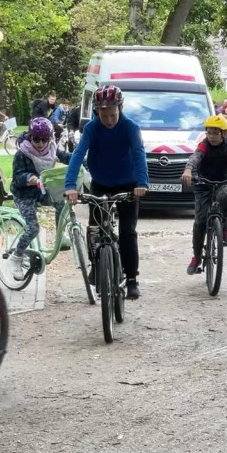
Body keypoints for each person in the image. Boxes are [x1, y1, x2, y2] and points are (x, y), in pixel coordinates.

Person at [63, 85, 148, 299]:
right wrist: (70, 186)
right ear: (96, 112)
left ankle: (131, 279)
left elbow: (139, 155)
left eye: (112, 114)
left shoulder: (130, 127)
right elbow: (78, 153)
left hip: (128, 184)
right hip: (101, 183)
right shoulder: (92, 128)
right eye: (104, 115)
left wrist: (142, 183)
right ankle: (96, 263)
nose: (109, 120)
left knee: (128, 232)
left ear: (120, 108)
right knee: (94, 229)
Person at [7, 118, 72, 280]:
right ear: (30, 137)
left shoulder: (52, 149)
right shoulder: (22, 153)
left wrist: (83, 161)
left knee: (60, 203)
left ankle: (60, 235)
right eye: (36, 139)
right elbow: (16, 178)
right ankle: (16, 257)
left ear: (50, 138)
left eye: (44, 139)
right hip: (24, 194)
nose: (41, 144)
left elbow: (66, 157)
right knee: (33, 228)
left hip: (41, 191)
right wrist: (30, 177)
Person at [181, 115, 227, 274]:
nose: (212, 136)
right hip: (203, 182)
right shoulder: (203, 145)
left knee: (226, 197)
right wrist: (188, 170)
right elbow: (195, 157)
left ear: (224, 134)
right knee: (200, 221)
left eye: (215, 133)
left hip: (223, 180)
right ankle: (196, 257)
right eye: (209, 133)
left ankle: (224, 229)